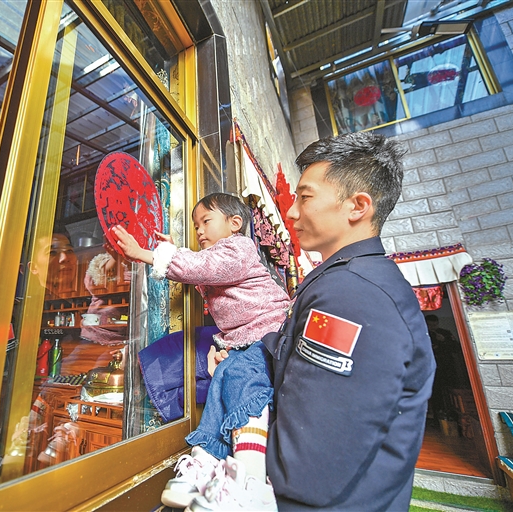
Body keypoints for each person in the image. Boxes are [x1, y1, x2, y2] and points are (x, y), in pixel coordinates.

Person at [263, 132, 436, 510]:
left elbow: (307, 464)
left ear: (358, 206)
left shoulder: (353, 294)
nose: (291, 212)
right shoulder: (353, 279)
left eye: (305, 197)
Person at [112, 192, 291, 510]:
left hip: (269, 333)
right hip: (245, 339)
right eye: (196, 226)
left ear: (235, 223)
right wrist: (174, 251)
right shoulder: (220, 258)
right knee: (222, 379)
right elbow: (203, 274)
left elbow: (204, 268)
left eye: (206, 221)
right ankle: (206, 460)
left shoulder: (239, 248)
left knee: (241, 379)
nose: (199, 230)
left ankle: (251, 481)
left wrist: (146, 254)